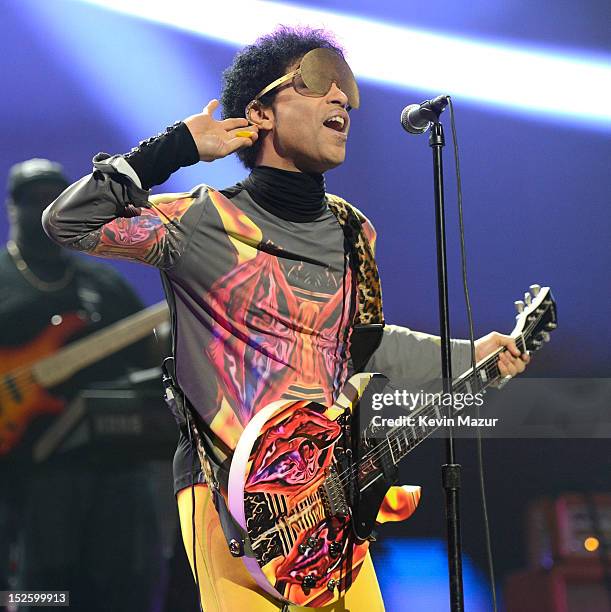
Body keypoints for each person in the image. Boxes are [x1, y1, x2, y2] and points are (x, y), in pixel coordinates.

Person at [42, 27, 529, 611]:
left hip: (329, 510)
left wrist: (471, 355)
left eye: (346, 91)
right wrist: (174, 148)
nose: (341, 100)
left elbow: (365, 347)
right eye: (319, 81)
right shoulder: (201, 222)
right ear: (260, 113)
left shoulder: (353, 231)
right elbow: (68, 222)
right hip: (229, 503)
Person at [0, 159, 164, 611]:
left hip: (113, 468)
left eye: (52, 197)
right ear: (12, 207)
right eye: (32, 199)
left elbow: (150, 355)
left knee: (124, 585)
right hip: (31, 474)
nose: (42, 208)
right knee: (43, 594)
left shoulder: (101, 283)